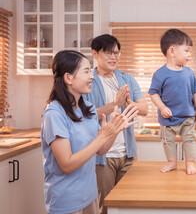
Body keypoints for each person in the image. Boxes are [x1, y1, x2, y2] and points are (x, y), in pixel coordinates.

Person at [41, 50, 138, 214]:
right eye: (86, 71)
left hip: (90, 195)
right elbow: (67, 164)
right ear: (69, 78)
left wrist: (114, 130)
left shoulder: (88, 109)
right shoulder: (54, 114)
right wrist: (104, 136)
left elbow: (100, 149)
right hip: (66, 200)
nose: (91, 76)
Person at [83, 34, 148, 214]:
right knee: (105, 206)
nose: (114, 57)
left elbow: (144, 108)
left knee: (129, 205)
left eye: (117, 53)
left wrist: (129, 103)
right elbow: (85, 116)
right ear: (95, 53)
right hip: (102, 155)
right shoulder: (88, 81)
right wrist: (114, 105)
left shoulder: (126, 79)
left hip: (128, 154)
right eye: (109, 53)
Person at [148, 29, 196, 174]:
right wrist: (162, 107)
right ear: (172, 51)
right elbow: (153, 93)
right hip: (168, 118)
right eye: (187, 50)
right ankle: (172, 163)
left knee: (189, 139)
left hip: (187, 117)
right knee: (168, 141)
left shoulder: (189, 73)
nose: (190, 54)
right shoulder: (160, 74)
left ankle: (189, 164)